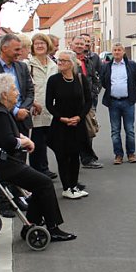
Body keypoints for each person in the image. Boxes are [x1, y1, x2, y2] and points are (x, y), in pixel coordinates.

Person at [0, 73, 76, 242]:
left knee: (39, 184)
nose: (17, 93)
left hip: (1, 162)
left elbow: (9, 137)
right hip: (2, 165)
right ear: (4, 95)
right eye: (13, 89)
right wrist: (25, 143)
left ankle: (32, 223)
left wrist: (23, 140)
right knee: (44, 183)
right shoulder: (0, 114)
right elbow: (8, 142)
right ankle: (52, 228)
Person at [46, 50, 92, 199]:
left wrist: (79, 117)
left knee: (75, 155)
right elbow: (49, 104)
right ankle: (66, 187)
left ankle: (74, 185)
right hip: (61, 125)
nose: (60, 63)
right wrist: (62, 118)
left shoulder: (80, 78)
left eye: (64, 61)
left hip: (77, 124)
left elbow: (88, 101)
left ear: (72, 63)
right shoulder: (53, 80)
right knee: (63, 156)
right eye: (59, 60)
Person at [0, 33, 35, 138]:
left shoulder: (22, 67)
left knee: (23, 152)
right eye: (16, 50)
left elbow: (30, 91)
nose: (20, 53)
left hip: (23, 120)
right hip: (3, 120)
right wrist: (15, 111)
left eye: (20, 49)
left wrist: (22, 110)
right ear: (4, 48)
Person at [100, 43, 136, 164]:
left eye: (119, 50)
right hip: (113, 102)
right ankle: (118, 155)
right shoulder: (107, 66)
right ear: (112, 52)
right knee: (115, 131)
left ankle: (131, 154)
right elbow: (103, 81)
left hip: (128, 101)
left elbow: (135, 80)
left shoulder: (131, 65)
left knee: (130, 130)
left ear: (123, 52)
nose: (117, 52)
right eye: (114, 50)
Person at [28, 33, 58, 179]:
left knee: (47, 140)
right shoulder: (28, 64)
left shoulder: (54, 65)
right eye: (36, 43)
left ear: (48, 46)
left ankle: (44, 167)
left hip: (51, 108)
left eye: (43, 43)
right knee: (36, 141)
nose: (40, 46)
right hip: (35, 108)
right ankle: (37, 170)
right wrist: (32, 103)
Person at [71, 36, 102, 170]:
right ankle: (73, 159)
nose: (79, 46)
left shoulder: (88, 61)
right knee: (73, 132)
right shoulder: (67, 61)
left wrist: (94, 92)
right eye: (76, 43)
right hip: (72, 102)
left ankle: (87, 158)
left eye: (81, 44)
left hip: (88, 101)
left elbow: (95, 79)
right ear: (71, 45)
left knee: (89, 129)